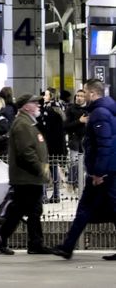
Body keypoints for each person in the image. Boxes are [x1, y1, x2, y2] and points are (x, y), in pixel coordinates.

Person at [53, 80, 116, 260]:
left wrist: (99, 173)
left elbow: (104, 145)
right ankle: (67, 246)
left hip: (103, 172)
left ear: (93, 93)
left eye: (85, 92)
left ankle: (67, 247)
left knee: (87, 208)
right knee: (90, 208)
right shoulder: (107, 110)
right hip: (107, 169)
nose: (83, 95)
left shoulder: (100, 113)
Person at [0, 94, 54, 255]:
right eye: (34, 103)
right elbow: (26, 153)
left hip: (30, 177)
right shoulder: (22, 124)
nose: (38, 105)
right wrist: (41, 170)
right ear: (26, 106)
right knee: (21, 211)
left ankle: (34, 243)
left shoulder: (28, 123)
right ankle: (1, 239)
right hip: (25, 177)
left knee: (30, 211)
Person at [39, 88, 67, 203]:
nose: (44, 97)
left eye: (46, 95)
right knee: (53, 168)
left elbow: (47, 128)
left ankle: (45, 195)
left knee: (45, 169)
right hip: (56, 145)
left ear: (51, 96)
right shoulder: (59, 107)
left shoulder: (50, 109)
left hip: (49, 144)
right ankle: (55, 194)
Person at [64, 88, 89, 186]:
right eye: (77, 96)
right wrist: (79, 121)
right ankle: (73, 183)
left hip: (86, 141)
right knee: (74, 163)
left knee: (85, 164)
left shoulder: (89, 109)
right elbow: (65, 125)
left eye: (81, 96)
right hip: (74, 140)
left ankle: (83, 183)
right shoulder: (70, 109)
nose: (78, 98)